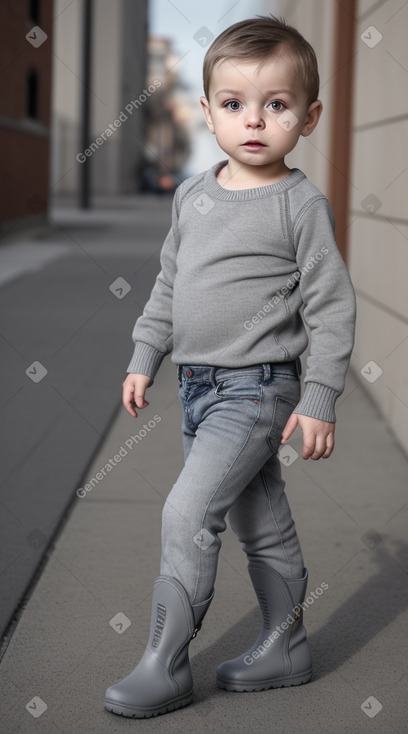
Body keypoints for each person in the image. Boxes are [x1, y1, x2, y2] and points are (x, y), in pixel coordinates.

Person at [105, 14, 356, 719]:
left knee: (187, 510)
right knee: (259, 518)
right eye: (234, 104)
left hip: (257, 391)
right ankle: (285, 646)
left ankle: (166, 663)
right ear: (208, 113)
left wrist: (320, 395)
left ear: (307, 118)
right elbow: (166, 286)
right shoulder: (192, 194)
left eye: (275, 105)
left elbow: (332, 307)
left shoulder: (299, 205)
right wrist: (142, 357)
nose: (254, 121)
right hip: (194, 388)